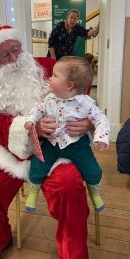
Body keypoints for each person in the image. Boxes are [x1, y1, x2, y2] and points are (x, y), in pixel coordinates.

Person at [0, 25, 93, 259]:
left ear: (21, 46)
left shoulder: (47, 67)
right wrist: (29, 129)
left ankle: (72, 253)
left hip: (57, 149)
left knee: (68, 186)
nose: (15, 58)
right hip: (17, 152)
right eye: (5, 54)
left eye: (16, 49)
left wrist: (85, 119)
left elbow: (81, 81)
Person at [24, 56, 110, 214]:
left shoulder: (85, 103)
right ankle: (34, 191)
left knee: (93, 170)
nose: (50, 78)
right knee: (38, 164)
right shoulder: (49, 99)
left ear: (69, 85)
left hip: (77, 145)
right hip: (52, 143)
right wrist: (30, 121)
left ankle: (94, 191)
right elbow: (37, 109)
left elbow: (100, 118)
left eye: (55, 76)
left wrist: (101, 137)